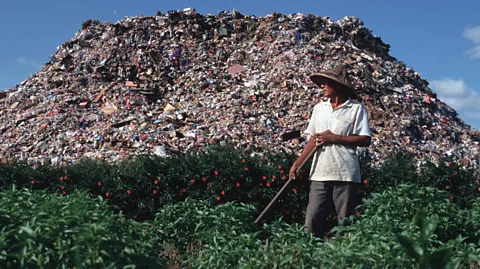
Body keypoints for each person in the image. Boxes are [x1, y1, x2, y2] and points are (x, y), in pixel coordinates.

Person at [289, 64, 372, 239]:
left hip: (345, 174)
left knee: (345, 222)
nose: (322, 87)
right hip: (319, 172)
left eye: (326, 83)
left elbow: (365, 139)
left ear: (338, 86)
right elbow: (313, 139)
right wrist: (298, 164)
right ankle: (310, 256)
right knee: (312, 220)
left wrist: (335, 138)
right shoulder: (319, 109)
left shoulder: (356, 109)